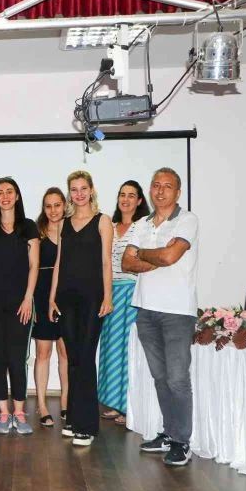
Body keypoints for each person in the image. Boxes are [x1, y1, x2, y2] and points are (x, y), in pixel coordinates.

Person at [122, 167, 198, 467]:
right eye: (156, 185)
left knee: (177, 379)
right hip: (146, 310)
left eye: (167, 186)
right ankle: (169, 433)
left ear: (177, 192)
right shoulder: (141, 223)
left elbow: (171, 256)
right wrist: (155, 255)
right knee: (161, 378)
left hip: (177, 312)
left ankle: (182, 441)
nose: (160, 190)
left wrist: (144, 253)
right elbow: (127, 262)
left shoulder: (187, 220)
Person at [49, 171, 113, 447]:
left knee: (85, 358)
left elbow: (106, 262)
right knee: (73, 359)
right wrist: (51, 298)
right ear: (70, 193)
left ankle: (87, 426)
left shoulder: (103, 221)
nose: (79, 194)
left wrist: (107, 297)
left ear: (91, 190)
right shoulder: (64, 224)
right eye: (74, 189)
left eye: (83, 188)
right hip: (66, 299)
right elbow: (59, 263)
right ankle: (74, 419)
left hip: (92, 299)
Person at [0, 177, 40, 436]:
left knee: (17, 359)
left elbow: (34, 266)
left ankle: (20, 413)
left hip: (20, 304)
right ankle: (3, 412)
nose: (5, 196)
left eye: (9, 191)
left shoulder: (29, 227)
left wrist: (28, 298)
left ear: (17, 196)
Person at [98, 181, 150, 426]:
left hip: (132, 293)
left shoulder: (144, 226)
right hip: (110, 293)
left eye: (131, 195)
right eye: (122, 195)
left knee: (128, 350)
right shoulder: (110, 225)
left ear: (139, 201)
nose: (125, 199)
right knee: (111, 350)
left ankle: (129, 406)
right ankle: (115, 402)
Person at [32, 188, 69, 427]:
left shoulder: (73, 229)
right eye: (48, 206)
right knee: (43, 352)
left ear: (64, 205)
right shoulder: (37, 233)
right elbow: (29, 267)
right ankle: (42, 404)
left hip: (67, 294)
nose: (53, 210)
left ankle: (65, 402)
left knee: (65, 352)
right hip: (41, 294)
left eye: (57, 205)